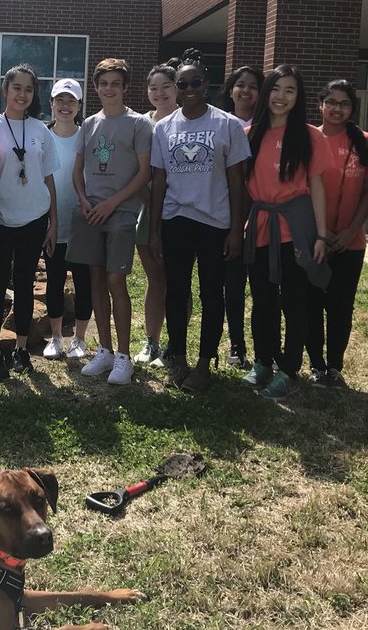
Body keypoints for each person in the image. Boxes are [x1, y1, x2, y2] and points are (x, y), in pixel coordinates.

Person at [149, 49, 250, 391]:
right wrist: (154, 231)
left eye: (196, 82)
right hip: (175, 220)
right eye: (183, 83)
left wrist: (236, 229)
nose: (189, 87)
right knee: (176, 293)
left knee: (211, 296)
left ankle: (205, 363)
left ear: (206, 85)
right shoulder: (163, 128)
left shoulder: (228, 125)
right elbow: (159, 181)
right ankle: (178, 357)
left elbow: (238, 181)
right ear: (176, 88)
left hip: (215, 223)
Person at [242, 64, 332, 401]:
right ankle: (264, 361)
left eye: (290, 90)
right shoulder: (250, 134)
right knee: (262, 299)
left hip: (295, 227)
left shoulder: (310, 136)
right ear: (266, 94)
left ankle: (290, 369)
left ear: (298, 97)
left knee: (295, 301)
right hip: (260, 224)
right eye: (276, 89)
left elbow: (318, 186)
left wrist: (322, 235)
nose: (281, 97)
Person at [68, 58, 152, 386]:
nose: (109, 89)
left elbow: (144, 172)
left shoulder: (139, 124)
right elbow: (78, 170)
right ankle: (103, 350)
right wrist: (86, 200)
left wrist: (113, 203)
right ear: (96, 87)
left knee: (117, 281)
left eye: (115, 83)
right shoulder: (89, 124)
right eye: (103, 83)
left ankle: (123, 357)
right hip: (91, 212)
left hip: (122, 213)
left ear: (125, 87)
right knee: (96, 280)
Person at [306, 80, 368, 388]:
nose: (337, 109)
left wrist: (352, 230)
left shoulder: (365, 142)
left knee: (341, 306)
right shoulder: (309, 139)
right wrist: (320, 234)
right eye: (331, 102)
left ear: (353, 109)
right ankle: (316, 364)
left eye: (344, 104)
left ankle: (335, 367)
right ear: (320, 104)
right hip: (314, 241)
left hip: (350, 242)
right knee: (311, 303)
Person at [0, 64, 58, 379]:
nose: (23, 94)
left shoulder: (41, 130)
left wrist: (54, 221)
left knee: (25, 283)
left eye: (29, 89)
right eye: (17, 88)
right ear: (5, 90)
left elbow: (49, 176)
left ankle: (22, 349)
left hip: (34, 218)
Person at [215, 65, 263, 368]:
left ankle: (245, 345)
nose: (245, 91)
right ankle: (234, 344)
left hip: (257, 215)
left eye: (253, 86)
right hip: (221, 213)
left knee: (251, 285)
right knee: (224, 285)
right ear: (230, 89)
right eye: (240, 85)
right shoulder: (219, 123)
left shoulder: (265, 127)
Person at [42, 78, 93, 362]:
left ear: (79, 106)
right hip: (53, 224)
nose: (65, 106)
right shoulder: (41, 135)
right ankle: (57, 338)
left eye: (71, 101)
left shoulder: (87, 134)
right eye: (60, 100)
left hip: (82, 222)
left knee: (84, 282)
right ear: (51, 103)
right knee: (55, 281)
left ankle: (80, 339)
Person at [131, 63, 176, 367]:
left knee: (177, 281)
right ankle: (152, 342)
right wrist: (152, 205)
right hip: (147, 211)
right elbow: (134, 171)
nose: (159, 93)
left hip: (179, 212)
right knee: (154, 278)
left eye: (166, 87)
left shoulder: (187, 121)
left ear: (177, 88)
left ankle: (176, 344)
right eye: (153, 88)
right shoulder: (141, 124)